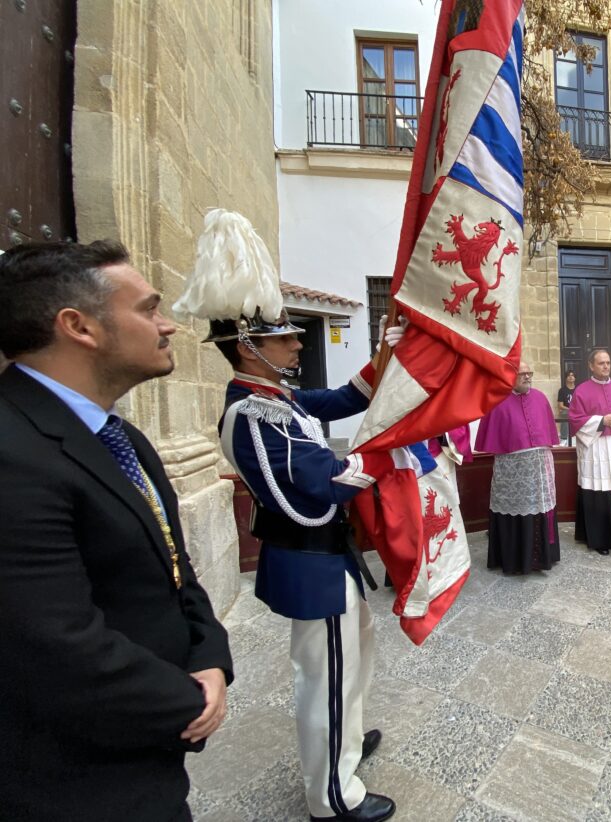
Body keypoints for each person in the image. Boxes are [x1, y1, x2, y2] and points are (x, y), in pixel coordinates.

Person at [174, 210, 397, 822]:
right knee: (324, 676)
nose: (299, 344)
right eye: (286, 339)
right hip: (310, 561)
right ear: (249, 348)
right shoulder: (250, 414)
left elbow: (342, 399)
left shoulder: (280, 397)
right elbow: (309, 495)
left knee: (352, 661)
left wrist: (382, 357)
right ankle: (331, 796)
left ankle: (345, 747)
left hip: (330, 559)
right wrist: (373, 462)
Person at [0, 241, 233, 821]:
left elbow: (175, 568)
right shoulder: (12, 450)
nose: (169, 326)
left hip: (144, 757)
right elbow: (54, 641)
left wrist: (210, 655)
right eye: (150, 309)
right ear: (79, 326)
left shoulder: (123, 439)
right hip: (70, 779)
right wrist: (187, 701)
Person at [475, 361, 561, 573]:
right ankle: (515, 559)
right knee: (515, 511)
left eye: (529, 373)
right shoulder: (497, 401)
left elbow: (548, 433)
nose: (527, 377)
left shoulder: (540, 398)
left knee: (540, 508)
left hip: (540, 468)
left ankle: (541, 558)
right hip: (512, 471)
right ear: (509, 376)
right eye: (522, 373)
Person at [569, 348, 611, 555]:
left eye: (608, 362)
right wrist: (602, 420)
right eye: (601, 363)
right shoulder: (581, 390)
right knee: (598, 493)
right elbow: (575, 420)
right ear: (591, 366)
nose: (606, 366)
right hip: (596, 448)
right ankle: (600, 539)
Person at [557, 369, 576, 444]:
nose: (571, 377)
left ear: (575, 378)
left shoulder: (578, 389)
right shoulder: (562, 390)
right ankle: (564, 438)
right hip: (566, 410)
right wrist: (570, 409)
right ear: (566, 378)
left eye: (572, 375)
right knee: (565, 413)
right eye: (569, 375)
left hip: (577, 410)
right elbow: (561, 406)